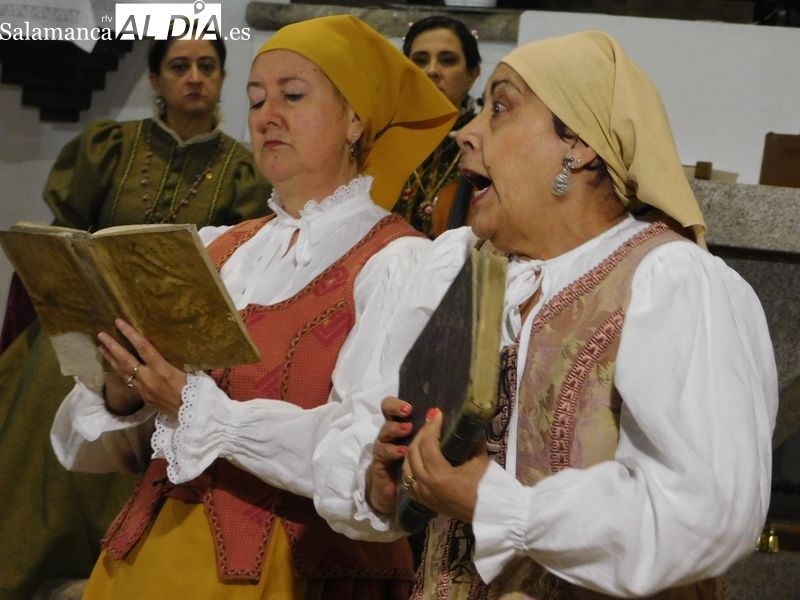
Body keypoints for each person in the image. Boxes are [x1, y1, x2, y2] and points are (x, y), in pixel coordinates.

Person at [311, 30, 779, 598]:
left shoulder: (672, 282)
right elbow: (365, 431)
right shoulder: (461, 269)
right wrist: (388, 485)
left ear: (578, 143)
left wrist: (502, 504)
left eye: (501, 108)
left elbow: (706, 512)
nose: (466, 132)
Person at [49, 15, 457, 599]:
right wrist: (123, 387)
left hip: (297, 571)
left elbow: (369, 454)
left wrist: (200, 409)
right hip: (150, 561)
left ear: (353, 120)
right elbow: (106, 450)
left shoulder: (400, 262)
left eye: (293, 95)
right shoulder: (220, 247)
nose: (267, 114)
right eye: (256, 98)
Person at [0, 35, 271, 600]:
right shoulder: (111, 146)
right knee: (56, 375)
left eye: (207, 65)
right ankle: (28, 567)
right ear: (155, 80)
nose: (194, 77)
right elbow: (61, 235)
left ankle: (106, 566)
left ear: (222, 78)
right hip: (88, 324)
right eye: (179, 66)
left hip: (181, 341)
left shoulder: (244, 170)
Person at [393, 15, 481, 238]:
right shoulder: (383, 140)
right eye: (420, 60)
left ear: (472, 74)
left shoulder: (484, 147)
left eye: (448, 60)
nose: (431, 71)